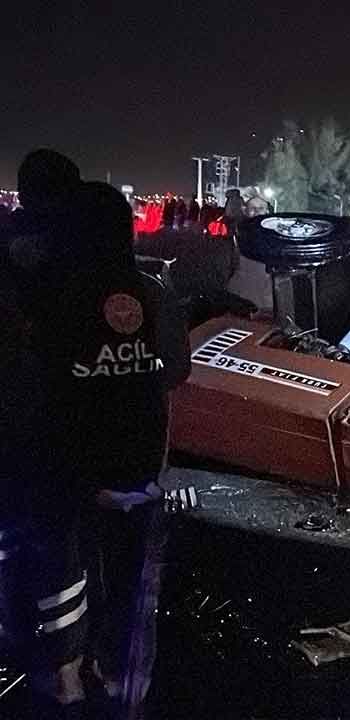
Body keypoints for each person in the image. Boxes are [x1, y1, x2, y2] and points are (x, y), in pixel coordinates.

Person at [7, 167, 191, 719]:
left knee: (54, 550)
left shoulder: (44, 300)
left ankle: (65, 673)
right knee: (128, 566)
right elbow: (176, 370)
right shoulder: (155, 294)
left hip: (69, 467)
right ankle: (114, 669)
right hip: (139, 465)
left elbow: (27, 387)